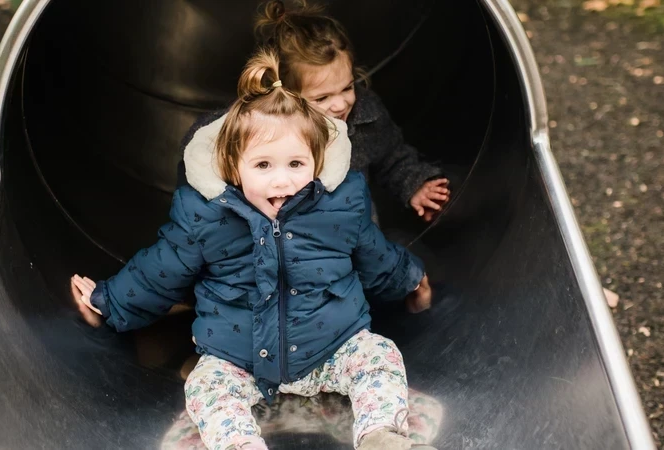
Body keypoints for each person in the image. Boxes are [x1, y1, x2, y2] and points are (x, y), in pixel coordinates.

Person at [72, 49, 437, 450]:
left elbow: (375, 254)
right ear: (233, 165)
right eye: (263, 166)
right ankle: (239, 444)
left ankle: (381, 435)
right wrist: (108, 303)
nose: (282, 181)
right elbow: (160, 272)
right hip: (240, 358)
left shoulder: (339, 205)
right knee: (206, 385)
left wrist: (409, 279)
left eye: (296, 164)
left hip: (331, 348)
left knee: (379, 354)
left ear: (316, 162)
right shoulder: (207, 216)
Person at [178, 0, 450, 224]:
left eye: (346, 87)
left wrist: (414, 184)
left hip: (350, 243)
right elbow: (201, 144)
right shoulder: (259, 125)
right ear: (284, 95)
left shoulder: (364, 116)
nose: (341, 104)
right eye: (322, 97)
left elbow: (391, 156)